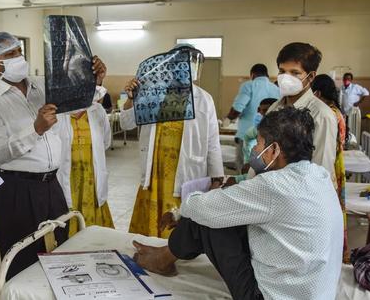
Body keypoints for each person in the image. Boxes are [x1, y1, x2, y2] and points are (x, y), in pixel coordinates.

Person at [134, 107, 343, 300]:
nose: (254, 149)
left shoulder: (275, 185)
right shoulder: (320, 176)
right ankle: (166, 255)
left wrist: (182, 211)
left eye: (259, 143)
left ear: (274, 150)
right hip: (317, 292)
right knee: (224, 210)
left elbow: (203, 208)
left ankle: (163, 259)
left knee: (209, 216)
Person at [0, 32, 107, 279]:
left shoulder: (40, 86)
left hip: (51, 186)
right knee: (23, 261)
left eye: (19, 52)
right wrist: (35, 129)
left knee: (60, 250)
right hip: (15, 189)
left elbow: (76, 105)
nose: (19, 58)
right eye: (11, 54)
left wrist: (94, 82)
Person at [120, 44, 224, 238]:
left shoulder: (204, 99)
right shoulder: (152, 93)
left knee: (179, 226)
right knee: (149, 231)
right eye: (181, 62)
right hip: (155, 173)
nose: (187, 67)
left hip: (186, 171)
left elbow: (212, 142)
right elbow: (126, 123)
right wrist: (130, 99)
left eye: (192, 62)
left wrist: (216, 177)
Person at [262, 42, 337, 182]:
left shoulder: (321, 115)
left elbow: (321, 168)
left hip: (302, 195)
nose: (285, 78)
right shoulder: (274, 108)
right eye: (282, 71)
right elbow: (264, 154)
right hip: (272, 187)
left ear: (311, 76)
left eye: (295, 73)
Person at [56, 94, 115, 236]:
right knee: (66, 216)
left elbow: (105, 141)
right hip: (67, 178)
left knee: (95, 234)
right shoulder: (56, 112)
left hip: (91, 179)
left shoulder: (97, 109)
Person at [311, 74, 349, 263]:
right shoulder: (336, 111)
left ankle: (328, 254)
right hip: (336, 163)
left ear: (316, 93)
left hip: (329, 162)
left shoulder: (327, 113)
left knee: (326, 210)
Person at [222, 64, 279, 141]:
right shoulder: (276, 89)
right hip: (269, 137)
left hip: (247, 135)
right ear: (267, 75)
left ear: (252, 74)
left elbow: (238, 107)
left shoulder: (248, 85)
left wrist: (228, 119)